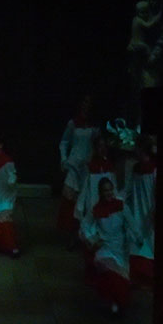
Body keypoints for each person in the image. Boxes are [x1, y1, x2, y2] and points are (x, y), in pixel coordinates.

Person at [83, 178, 133, 315]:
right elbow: (85, 224)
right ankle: (112, 302)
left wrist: (136, 239)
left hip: (120, 249)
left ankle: (118, 302)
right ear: (101, 192)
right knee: (109, 273)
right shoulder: (96, 209)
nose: (109, 193)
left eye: (110, 190)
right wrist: (92, 239)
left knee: (121, 277)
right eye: (106, 190)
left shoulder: (121, 206)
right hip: (104, 248)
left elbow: (132, 224)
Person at [57, 95, 98, 238]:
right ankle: (70, 232)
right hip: (74, 164)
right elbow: (64, 142)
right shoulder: (73, 123)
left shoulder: (94, 126)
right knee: (70, 198)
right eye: (84, 102)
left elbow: (97, 145)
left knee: (84, 198)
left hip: (87, 165)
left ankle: (82, 232)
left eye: (89, 102)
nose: (86, 105)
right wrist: (64, 159)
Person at [126, 141, 156, 287]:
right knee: (136, 242)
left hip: (149, 212)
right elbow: (129, 190)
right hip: (137, 211)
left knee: (150, 242)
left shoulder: (154, 169)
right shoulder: (136, 169)